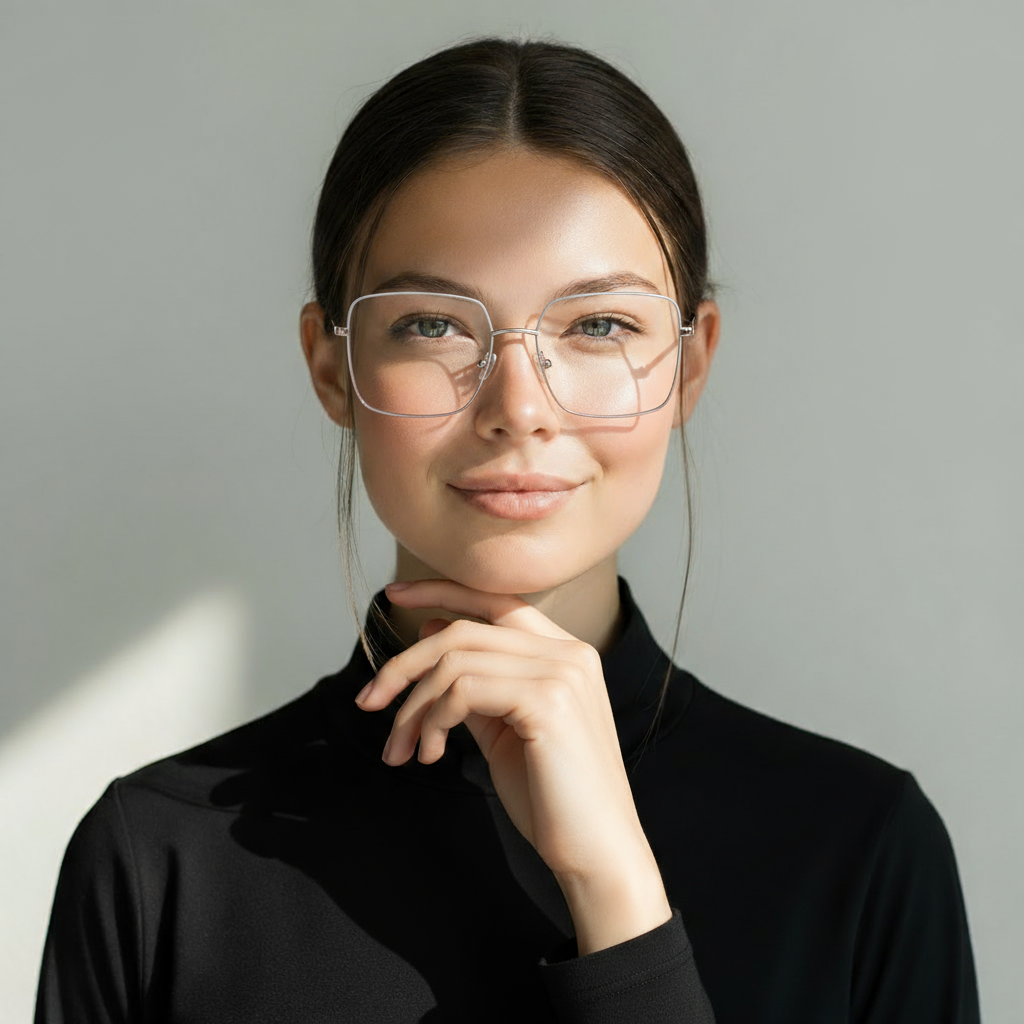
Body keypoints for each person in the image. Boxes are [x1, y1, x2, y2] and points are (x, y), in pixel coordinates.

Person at [34, 37, 980, 1024]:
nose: (518, 406)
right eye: (433, 325)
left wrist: (619, 898)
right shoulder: (162, 860)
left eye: (599, 326)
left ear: (690, 365)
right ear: (330, 367)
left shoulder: (857, 850)